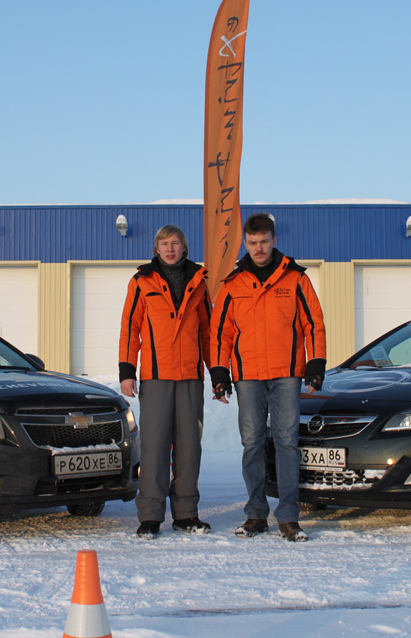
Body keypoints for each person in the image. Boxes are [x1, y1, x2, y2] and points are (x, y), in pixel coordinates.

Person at [210, 213, 326, 542]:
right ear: (245, 243)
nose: (258, 248)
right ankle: (256, 515)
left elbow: (313, 324)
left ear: (273, 240)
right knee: (252, 444)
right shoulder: (233, 284)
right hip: (248, 377)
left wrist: (316, 364)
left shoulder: (296, 279)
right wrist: (219, 372)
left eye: (264, 242)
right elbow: (221, 333)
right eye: (252, 243)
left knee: (287, 443)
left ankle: (289, 517)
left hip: (287, 374)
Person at [119, 224, 213, 539]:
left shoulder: (200, 281)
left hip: (190, 377)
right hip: (156, 377)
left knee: (188, 448)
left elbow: (207, 331)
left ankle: (186, 514)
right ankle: (150, 516)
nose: (170, 249)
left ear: (184, 248)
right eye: (164, 244)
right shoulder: (141, 281)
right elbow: (130, 327)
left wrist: (217, 372)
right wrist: (127, 370)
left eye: (175, 243)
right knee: (155, 447)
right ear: (156, 249)